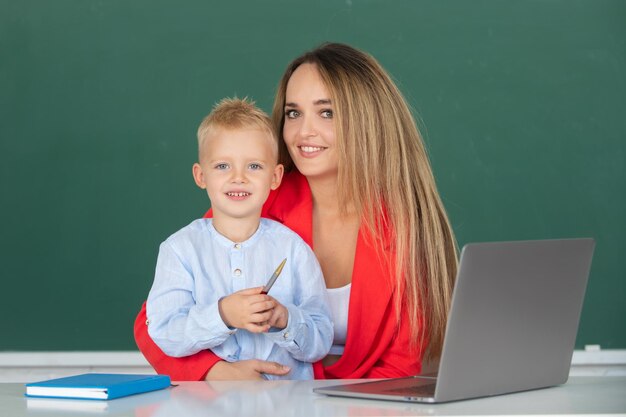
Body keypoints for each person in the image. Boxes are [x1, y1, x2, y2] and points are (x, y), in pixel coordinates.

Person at [134, 42, 458, 381]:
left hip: (363, 401)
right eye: (293, 113)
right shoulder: (262, 197)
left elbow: (402, 365)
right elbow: (153, 323)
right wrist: (215, 372)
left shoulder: (407, 226)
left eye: (327, 112)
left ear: (366, 119)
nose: (304, 132)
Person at [145, 97, 333, 380]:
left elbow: (320, 340)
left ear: (275, 177)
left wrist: (285, 319)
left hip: (287, 403)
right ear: (201, 175)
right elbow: (165, 334)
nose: (238, 178)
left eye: (254, 166)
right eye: (222, 166)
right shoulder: (180, 250)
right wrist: (222, 315)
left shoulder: (293, 249)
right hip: (211, 405)